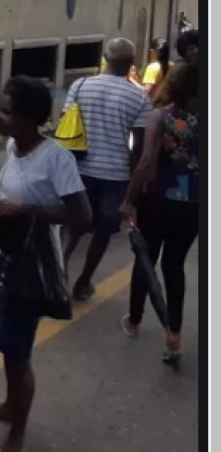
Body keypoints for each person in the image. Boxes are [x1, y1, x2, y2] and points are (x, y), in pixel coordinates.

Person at [0, 76, 91, 452]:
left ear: (28, 119)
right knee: (6, 342)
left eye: (6, 111)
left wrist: (27, 211)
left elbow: (82, 216)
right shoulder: (9, 146)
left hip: (32, 265)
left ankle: (17, 436)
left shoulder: (56, 158)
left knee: (18, 351)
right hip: (7, 255)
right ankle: (9, 406)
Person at [120, 61, 199, 364]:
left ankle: (135, 321)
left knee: (145, 261)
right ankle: (174, 335)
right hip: (194, 204)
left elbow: (146, 161)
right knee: (175, 266)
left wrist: (130, 199)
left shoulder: (160, 117)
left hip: (159, 201)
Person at [62, 38, 150, 301]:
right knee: (102, 232)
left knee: (72, 226)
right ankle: (83, 282)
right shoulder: (139, 97)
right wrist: (134, 191)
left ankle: (59, 273)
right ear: (131, 63)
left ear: (105, 59)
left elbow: (66, 125)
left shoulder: (81, 85)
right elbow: (138, 148)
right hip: (115, 175)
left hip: (78, 170)